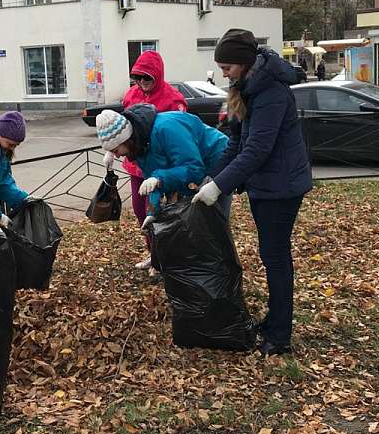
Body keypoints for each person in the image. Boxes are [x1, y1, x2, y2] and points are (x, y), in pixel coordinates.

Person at [192, 29, 313, 357]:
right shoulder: (244, 87)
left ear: (245, 62)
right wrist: (211, 178)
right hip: (264, 185)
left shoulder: (271, 91)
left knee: (275, 258)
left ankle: (280, 335)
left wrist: (219, 187)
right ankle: (274, 321)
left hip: (282, 187)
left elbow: (258, 149)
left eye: (227, 67)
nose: (223, 73)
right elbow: (236, 142)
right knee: (270, 255)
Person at [103, 51, 187, 271]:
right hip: (137, 166)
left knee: (160, 212)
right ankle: (154, 254)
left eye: (146, 77)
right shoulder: (131, 95)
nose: (141, 82)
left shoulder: (173, 98)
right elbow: (123, 127)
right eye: (137, 77)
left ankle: (167, 258)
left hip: (162, 168)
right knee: (141, 212)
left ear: (157, 75)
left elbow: (179, 134)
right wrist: (112, 149)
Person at [96, 105, 229, 225]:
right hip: (193, 170)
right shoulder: (139, 147)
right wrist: (152, 212)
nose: (117, 156)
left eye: (115, 150)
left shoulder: (167, 128)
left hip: (217, 162)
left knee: (213, 222)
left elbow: (193, 169)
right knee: (193, 223)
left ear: (125, 140)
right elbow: (153, 182)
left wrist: (159, 178)